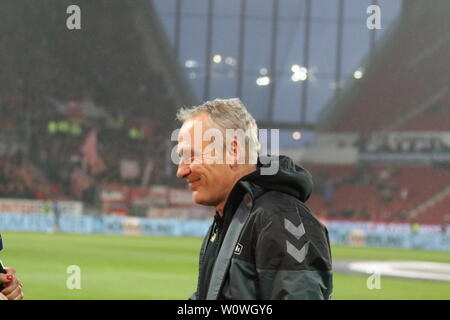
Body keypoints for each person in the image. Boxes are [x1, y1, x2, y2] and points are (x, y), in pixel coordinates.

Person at [175, 98, 332, 300]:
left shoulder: (280, 218)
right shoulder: (230, 217)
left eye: (191, 156)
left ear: (233, 152)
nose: (181, 171)